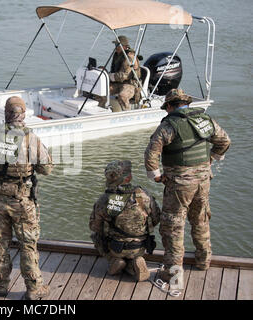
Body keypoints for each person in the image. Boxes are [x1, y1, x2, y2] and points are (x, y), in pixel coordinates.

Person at [144, 88, 231, 283]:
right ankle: (203, 261)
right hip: (203, 182)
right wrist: (211, 159)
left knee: (173, 226)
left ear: (169, 105)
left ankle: (173, 273)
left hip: (179, 185)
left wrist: (157, 177)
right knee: (200, 220)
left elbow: (151, 153)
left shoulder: (169, 125)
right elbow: (225, 141)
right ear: (186, 103)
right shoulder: (204, 120)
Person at [0, 96, 53, 300]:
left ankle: (0, 285)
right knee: (28, 244)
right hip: (23, 201)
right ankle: (34, 288)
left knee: (0, 242)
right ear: (23, 114)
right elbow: (46, 169)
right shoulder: (31, 138)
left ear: (6, 114)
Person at [89, 160, 161, 281]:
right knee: (134, 253)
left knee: (95, 236)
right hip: (140, 246)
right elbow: (156, 218)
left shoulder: (105, 199)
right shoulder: (143, 196)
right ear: (129, 177)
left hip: (116, 248)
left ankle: (115, 261)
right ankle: (134, 263)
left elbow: (94, 226)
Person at [105, 35, 141, 111]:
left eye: (117, 45)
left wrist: (109, 76)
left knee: (123, 96)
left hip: (130, 84)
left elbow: (124, 75)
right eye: (115, 45)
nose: (115, 47)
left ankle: (127, 114)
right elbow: (115, 71)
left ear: (124, 46)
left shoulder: (129, 57)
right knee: (101, 90)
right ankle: (102, 110)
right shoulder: (117, 55)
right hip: (118, 83)